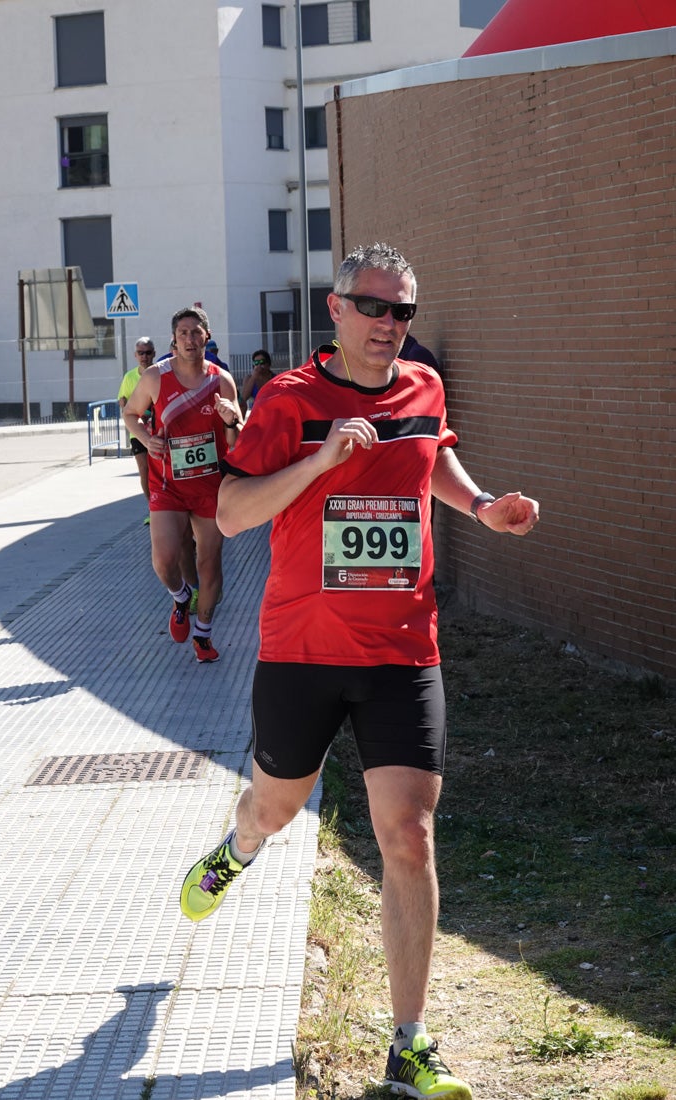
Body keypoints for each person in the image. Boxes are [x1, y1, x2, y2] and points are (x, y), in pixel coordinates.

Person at [178, 242, 539, 1094]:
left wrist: (481, 506)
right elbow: (229, 513)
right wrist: (319, 462)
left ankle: (408, 1044)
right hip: (301, 649)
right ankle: (238, 847)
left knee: (407, 838)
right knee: (275, 806)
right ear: (334, 310)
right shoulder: (287, 400)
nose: (387, 324)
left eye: (401, 311)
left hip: (402, 649)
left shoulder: (422, 386)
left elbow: (431, 455)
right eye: (371, 307)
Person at [122, 307, 243, 662]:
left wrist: (231, 420)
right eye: (183, 333)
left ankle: (203, 635)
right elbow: (130, 413)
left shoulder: (222, 382)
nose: (190, 339)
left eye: (196, 332)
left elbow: (238, 442)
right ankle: (179, 597)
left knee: (210, 565)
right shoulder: (156, 378)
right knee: (164, 560)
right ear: (174, 341)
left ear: (207, 337)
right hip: (168, 484)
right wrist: (146, 438)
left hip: (209, 489)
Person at [117, 337, 156, 519]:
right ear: (135, 355)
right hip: (138, 432)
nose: (144, 356)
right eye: (141, 353)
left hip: (158, 430)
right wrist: (131, 410)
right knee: (144, 469)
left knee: (162, 471)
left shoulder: (160, 373)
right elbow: (123, 401)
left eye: (148, 352)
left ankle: (164, 506)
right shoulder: (129, 377)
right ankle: (152, 508)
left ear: (154, 354)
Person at [239, 349, 274, 415]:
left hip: (272, 412)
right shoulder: (249, 378)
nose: (259, 365)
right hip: (257, 413)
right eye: (256, 363)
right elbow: (244, 398)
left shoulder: (274, 378)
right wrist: (254, 377)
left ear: (268, 364)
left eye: (262, 362)